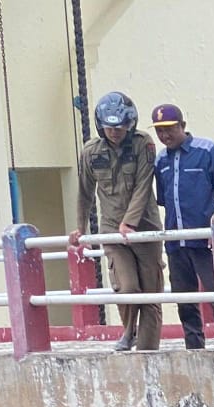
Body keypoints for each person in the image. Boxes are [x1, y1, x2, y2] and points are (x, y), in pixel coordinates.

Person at [70, 91, 163, 353]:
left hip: (145, 228)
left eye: (120, 127)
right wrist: (81, 228)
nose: (115, 132)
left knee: (150, 296)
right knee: (128, 287)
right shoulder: (91, 151)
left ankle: (147, 353)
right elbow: (85, 192)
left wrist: (131, 223)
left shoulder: (143, 144)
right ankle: (128, 331)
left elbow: (144, 186)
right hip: (112, 229)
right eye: (110, 127)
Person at [150, 104, 214, 351]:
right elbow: (164, 199)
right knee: (184, 298)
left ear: (182, 126)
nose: (165, 136)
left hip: (204, 239)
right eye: (160, 131)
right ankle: (194, 347)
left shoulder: (206, 150)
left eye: (169, 129)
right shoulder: (160, 160)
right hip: (176, 241)